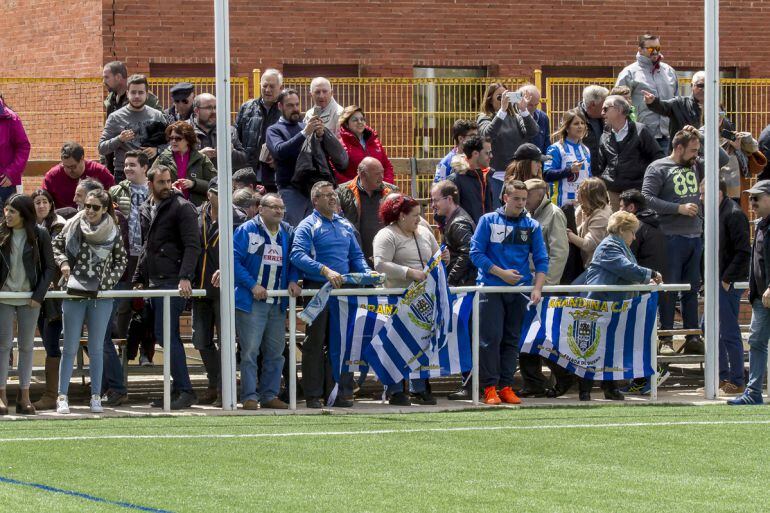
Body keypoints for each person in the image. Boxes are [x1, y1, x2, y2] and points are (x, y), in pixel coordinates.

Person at [290, 181, 369, 408]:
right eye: (326, 195)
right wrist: (324, 270)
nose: (332, 198)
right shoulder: (307, 225)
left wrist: (367, 274)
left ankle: (339, 393)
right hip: (318, 289)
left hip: (343, 292)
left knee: (342, 342)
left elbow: (356, 256)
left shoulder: (345, 224)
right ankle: (313, 394)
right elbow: (297, 255)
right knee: (315, 343)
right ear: (315, 201)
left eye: (333, 194)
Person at [470, 179, 548, 405]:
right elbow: (475, 254)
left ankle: (506, 386)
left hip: (519, 292)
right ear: (505, 197)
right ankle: (489, 388)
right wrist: (500, 273)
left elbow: (541, 259)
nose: (521, 203)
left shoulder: (532, 225)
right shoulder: (487, 220)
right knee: (490, 340)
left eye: (524, 199)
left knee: (512, 340)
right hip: (491, 289)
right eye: (516, 199)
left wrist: (537, 288)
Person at [133, 165, 201, 410]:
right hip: (156, 280)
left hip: (172, 281)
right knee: (164, 335)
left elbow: (193, 245)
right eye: (160, 182)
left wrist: (185, 277)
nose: (166, 186)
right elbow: (147, 246)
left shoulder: (182, 207)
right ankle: (177, 389)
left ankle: (185, 390)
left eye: (168, 181)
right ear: (150, 183)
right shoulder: (146, 208)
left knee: (167, 335)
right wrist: (139, 277)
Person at [53, 190, 128, 414]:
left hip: (100, 295)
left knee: (96, 348)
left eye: (95, 207)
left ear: (105, 209)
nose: (90, 210)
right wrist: (64, 263)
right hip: (73, 291)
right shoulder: (74, 224)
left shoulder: (113, 230)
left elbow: (121, 260)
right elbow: (56, 245)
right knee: (69, 346)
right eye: (87, 205)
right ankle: (62, 396)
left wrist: (107, 282)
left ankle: (96, 396)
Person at [579, 211, 663, 401]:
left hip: (613, 307)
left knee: (609, 349)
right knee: (592, 349)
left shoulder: (619, 246)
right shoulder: (610, 246)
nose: (634, 237)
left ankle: (609, 388)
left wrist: (643, 281)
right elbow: (625, 268)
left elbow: (627, 274)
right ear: (622, 230)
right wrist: (651, 274)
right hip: (600, 306)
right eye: (632, 232)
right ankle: (585, 390)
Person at [234, 193, 301, 410]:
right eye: (274, 207)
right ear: (260, 209)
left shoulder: (287, 232)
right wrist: (252, 285)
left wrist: (293, 280)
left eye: (281, 208)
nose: (279, 211)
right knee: (250, 352)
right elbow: (233, 261)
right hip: (251, 301)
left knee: (275, 353)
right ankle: (249, 396)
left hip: (277, 303)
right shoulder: (246, 230)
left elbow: (294, 260)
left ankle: (269, 395)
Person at [642, 126, 705, 354]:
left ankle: (692, 337)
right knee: (668, 289)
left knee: (691, 289)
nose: (696, 155)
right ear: (678, 148)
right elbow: (647, 198)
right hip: (670, 237)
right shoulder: (658, 167)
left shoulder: (695, 164)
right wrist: (678, 208)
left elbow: (723, 158)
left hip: (695, 235)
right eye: (692, 150)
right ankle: (666, 337)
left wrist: (700, 134)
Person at [373, 194, 440, 406]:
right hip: (396, 299)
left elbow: (436, 255)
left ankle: (419, 388)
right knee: (395, 344)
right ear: (401, 215)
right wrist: (409, 272)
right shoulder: (386, 235)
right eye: (415, 215)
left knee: (421, 343)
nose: (419, 219)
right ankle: (395, 390)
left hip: (423, 300)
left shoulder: (425, 232)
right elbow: (380, 264)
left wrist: (442, 258)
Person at [193, 177, 247, 406]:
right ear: (209, 194)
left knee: (226, 341)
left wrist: (227, 269)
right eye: (218, 192)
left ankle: (224, 388)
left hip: (225, 289)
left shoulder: (239, 218)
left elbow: (242, 252)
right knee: (200, 339)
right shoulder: (196, 214)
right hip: (200, 286)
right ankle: (215, 382)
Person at [0, 195, 55, 415]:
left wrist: (38, 295)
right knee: (3, 345)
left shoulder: (40, 234)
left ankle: (24, 396)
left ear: (23, 214)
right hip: (3, 296)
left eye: (12, 211)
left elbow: (49, 267)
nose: (7, 215)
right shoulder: (1, 233)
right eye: (6, 210)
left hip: (30, 297)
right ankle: (2, 395)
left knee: (26, 346)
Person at [515, 178, 569, 396]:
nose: (524, 200)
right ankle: (534, 382)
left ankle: (563, 375)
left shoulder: (554, 214)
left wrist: (546, 284)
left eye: (527, 195)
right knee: (527, 335)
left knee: (541, 336)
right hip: (528, 285)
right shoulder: (527, 216)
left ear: (540, 193)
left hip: (543, 287)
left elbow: (559, 252)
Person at [700, 179, 750, 395]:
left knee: (728, 330)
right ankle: (721, 377)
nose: (700, 198)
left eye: (703, 193)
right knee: (708, 326)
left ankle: (737, 380)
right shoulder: (716, 213)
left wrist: (727, 279)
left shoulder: (733, 214)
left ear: (718, 193)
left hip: (727, 282)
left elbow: (743, 251)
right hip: (717, 281)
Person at [267, 89, 341, 226]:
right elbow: (279, 152)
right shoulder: (274, 130)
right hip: (290, 190)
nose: (295, 109)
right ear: (280, 106)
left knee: (315, 230)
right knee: (292, 231)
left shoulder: (304, 126)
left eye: (297, 104)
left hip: (311, 189)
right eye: (290, 105)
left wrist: (320, 136)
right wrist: (304, 133)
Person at [728, 180, 770, 405]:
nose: (752, 202)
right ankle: (753, 392)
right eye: (750, 198)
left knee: (757, 342)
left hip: (767, 294)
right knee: (756, 342)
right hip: (761, 298)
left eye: (757, 198)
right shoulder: (762, 225)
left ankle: (753, 392)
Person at [30, 190, 66, 410]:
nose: (41, 205)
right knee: (47, 341)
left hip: (55, 294)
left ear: (51, 204)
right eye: (37, 202)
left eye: (45, 201)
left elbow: (52, 257)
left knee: (52, 342)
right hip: (38, 292)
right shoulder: (28, 227)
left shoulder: (59, 226)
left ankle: (53, 394)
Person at [597, 95, 664, 211]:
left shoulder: (641, 131)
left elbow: (657, 157)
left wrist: (650, 183)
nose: (602, 113)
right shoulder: (604, 135)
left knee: (639, 222)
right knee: (616, 222)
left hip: (637, 193)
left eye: (605, 109)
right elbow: (601, 165)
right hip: (614, 193)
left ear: (619, 110)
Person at [615, 33, 679, 153]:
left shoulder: (669, 71)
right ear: (640, 50)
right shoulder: (629, 73)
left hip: (667, 136)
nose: (655, 52)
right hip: (640, 137)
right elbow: (617, 104)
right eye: (650, 48)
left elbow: (677, 103)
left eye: (658, 48)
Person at [98, 74, 168, 183]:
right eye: (133, 92)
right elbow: (102, 148)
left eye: (141, 92)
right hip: (124, 174)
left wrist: (157, 150)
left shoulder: (157, 116)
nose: (137, 96)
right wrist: (119, 139)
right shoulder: (115, 117)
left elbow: (170, 144)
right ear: (127, 93)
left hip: (151, 173)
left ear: (147, 95)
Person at [337, 157, 398, 266]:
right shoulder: (342, 192)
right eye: (377, 174)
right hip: (355, 256)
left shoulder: (392, 192)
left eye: (382, 172)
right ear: (363, 174)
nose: (382, 177)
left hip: (386, 255)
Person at [235, 69, 283, 191]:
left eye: (272, 86)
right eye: (264, 86)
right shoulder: (246, 108)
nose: (267, 90)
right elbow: (236, 139)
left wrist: (277, 158)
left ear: (280, 88)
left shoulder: (285, 110)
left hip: (275, 176)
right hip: (248, 175)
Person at [151, 120, 217, 206]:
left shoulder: (201, 159)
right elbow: (151, 182)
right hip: (169, 207)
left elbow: (215, 185)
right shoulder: (163, 158)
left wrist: (194, 184)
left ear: (188, 140)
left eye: (178, 138)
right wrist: (168, 188)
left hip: (196, 209)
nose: (173, 141)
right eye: (171, 138)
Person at [477, 83, 539, 172]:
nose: (503, 100)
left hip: (517, 170)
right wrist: (502, 111)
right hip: (497, 172)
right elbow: (487, 135)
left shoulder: (516, 117)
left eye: (506, 96)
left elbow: (533, 132)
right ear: (490, 100)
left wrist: (524, 110)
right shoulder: (485, 117)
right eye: (500, 97)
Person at [43, 142, 115, 210]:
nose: (69, 170)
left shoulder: (99, 172)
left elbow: (113, 196)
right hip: (63, 216)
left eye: (73, 166)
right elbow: (43, 199)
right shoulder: (52, 176)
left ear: (82, 158)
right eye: (65, 166)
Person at [431, 180, 476, 287]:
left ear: (449, 199)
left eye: (436, 200)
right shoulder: (454, 219)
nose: (433, 205)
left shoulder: (458, 222)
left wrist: (450, 281)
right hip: (463, 282)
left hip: (463, 285)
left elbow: (467, 254)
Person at [543, 109, 591, 207]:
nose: (580, 126)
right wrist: (569, 170)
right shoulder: (556, 148)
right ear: (567, 127)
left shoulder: (586, 150)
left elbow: (588, 176)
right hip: (562, 204)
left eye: (582, 123)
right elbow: (547, 175)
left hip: (581, 204)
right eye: (576, 123)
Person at [337, 105, 394, 184]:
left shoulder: (374, 141)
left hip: (380, 187)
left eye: (362, 119)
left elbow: (387, 166)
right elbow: (335, 171)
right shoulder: (340, 145)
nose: (360, 122)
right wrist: (353, 187)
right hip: (353, 189)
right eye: (355, 120)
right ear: (346, 124)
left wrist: (386, 184)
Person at [189, 93, 247, 170]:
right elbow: (175, 162)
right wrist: (199, 156)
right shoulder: (184, 131)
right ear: (196, 111)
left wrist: (232, 152)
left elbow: (244, 161)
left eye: (215, 107)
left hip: (222, 178)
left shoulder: (229, 131)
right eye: (209, 108)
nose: (214, 111)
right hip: (194, 177)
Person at [644, 71, 705, 140]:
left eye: (708, 86)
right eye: (700, 85)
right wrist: (652, 102)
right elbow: (663, 106)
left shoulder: (714, 108)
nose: (704, 89)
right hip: (681, 145)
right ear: (692, 85)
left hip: (707, 146)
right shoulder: (679, 104)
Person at [447, 135, 494, 224]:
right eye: (487, 153)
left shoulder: (485, 177)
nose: (491, 156)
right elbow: (444, 213)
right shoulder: (455, 180)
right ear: (475, 154)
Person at [568, 177, 612, 268]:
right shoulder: (583, 208)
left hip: (597, 266)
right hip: (583, 262)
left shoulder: (602, 216)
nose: (577, 191)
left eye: (581, 190)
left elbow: (588, 244)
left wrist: (568, 234)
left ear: (589, 195)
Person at [0, 95, 30, 206]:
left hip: (3, 185)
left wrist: (11, 173)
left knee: (6, 216)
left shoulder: (11, 118)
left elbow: (23, 147)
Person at [577, 85, 609, 168]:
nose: (606, 107)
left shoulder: (605, 117)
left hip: (602, 170)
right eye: (604, 104)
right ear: (593, 104)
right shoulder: (573, 118)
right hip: (582, 170)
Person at [518, 84, 551, 154]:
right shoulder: (512, 117)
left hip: (538, 159)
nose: (533, 108)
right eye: (530, 105)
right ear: (520, 101)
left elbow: (547, 143)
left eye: (536, 104)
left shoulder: (543, 117)